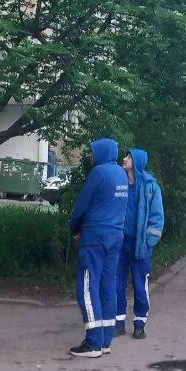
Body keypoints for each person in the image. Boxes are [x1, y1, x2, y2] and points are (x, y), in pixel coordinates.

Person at [67, 138, 128, 358]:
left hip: (95, 237)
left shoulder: (99, 173)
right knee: (107, 286)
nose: (91, 157)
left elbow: (82, 205)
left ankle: (93, 342)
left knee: (87, 287)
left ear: (101, 153)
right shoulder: (121, 174)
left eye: (92, 153)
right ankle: (105, 340)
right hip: (116, 236)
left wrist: (74, 227)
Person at [114, 148, 164, 339]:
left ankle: (139, 322)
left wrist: (149, 241)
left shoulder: (151, 187)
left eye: (128, 157)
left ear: (138, 162)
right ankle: (118, 322)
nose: (124, 159)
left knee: (139, 284)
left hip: (140, 245)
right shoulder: (119, 183)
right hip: (120, 243)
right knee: (117, 283)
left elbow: (157, 217)